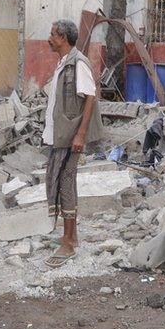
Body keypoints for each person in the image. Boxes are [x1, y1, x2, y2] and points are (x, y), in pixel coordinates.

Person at [41, 19, 102, 269]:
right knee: (61, 180)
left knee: (66, 182)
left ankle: (69, 241)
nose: (49, 39)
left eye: (53, 35)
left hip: (70, 136)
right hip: (60, 135)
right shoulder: (64, 64)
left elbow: (90, 97)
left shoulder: (78, 64)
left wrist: (80, 134)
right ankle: (69, 236)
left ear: (63, 37)